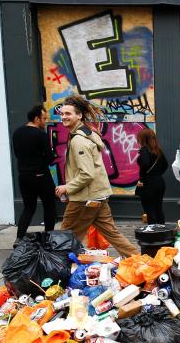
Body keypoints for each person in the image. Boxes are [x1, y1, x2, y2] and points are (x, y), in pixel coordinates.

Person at [54, 96, 138, 258]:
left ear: (79, 116)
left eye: (68, 114)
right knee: (112, 234)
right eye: (62, 113)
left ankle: (57, 268)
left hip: (84, 199)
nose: (63, 117)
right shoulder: (87, 133)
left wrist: (67, 187)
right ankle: (141, 261)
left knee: (65, 237)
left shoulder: (79, 140)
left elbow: (86, 174)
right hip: (98, 196)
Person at [12, 105, 57, 245]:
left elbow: (17, 154)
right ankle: (47, 238)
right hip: (41, 175)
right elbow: (50, 158)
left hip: (24, 176)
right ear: (36, 118)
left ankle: (19, 238)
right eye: (43, 119)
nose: (45, 122)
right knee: (49, 206)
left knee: (28, 207)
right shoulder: (40, 134)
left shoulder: (17, 132)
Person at [136, 127, 168, 225]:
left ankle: (153, 234)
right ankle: (161, 231)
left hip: (149, 183)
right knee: (158, 208)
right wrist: (156, 174)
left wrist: (142, 178)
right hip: (159, 182)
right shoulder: (158, 151)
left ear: (143, 139)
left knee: (150, 210)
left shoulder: (145, 151)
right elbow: (165, 165)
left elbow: (145, 164)